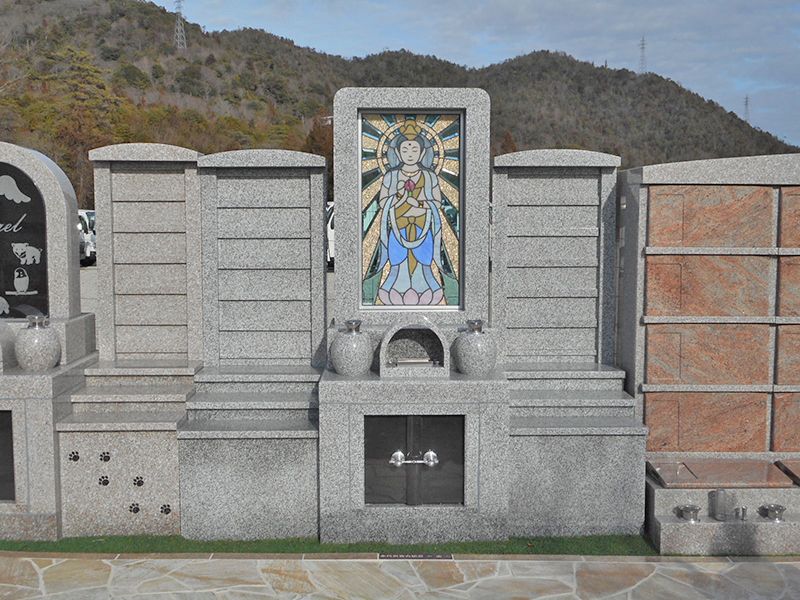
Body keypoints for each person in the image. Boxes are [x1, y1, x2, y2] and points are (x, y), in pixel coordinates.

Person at [375, 120, 445, 306]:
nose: (410, 154)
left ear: (422, 153)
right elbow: (383, 202)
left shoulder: (429, 176)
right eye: (405, 150)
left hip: (422, 227)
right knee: (398, 264)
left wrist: (419, 203)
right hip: (399, 227)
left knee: (424, 263)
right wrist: (399, 197)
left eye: (414, 150)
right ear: (397, 153)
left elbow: (437, 202)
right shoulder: (391, 176)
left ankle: (428, 290)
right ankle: (394, 290)